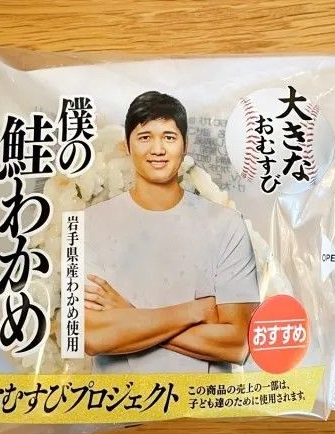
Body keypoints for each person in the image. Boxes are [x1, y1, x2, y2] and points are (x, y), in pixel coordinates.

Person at [84, 91, 259, 373]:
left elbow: (238, 343)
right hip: (120, 398)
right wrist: (197, 310)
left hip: (204, 399)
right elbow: (93, 336)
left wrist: (130, 316)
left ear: (185, 145)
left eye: (169, 137)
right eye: (144, 137)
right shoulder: (91, 223)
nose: (158, 149)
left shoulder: (226, 224)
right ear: (126, 146)